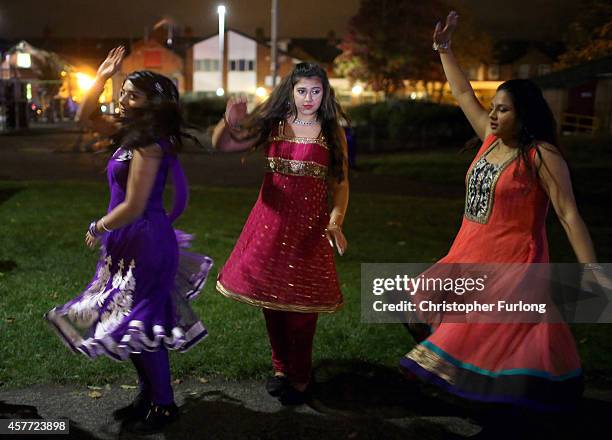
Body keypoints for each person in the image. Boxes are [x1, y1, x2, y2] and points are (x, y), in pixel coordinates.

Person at [399, 11, 609, 413]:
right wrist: (444, 49)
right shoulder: (489, 140)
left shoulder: (541, 156)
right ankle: (491, 397)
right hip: (467, 253)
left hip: (512, 263)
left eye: (504, 109)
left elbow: (568, 215)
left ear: (524, 114)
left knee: (489, 339)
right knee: (419, 302)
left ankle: (501, 408)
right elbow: (463, 94)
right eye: (493, 107)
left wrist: (594, 274)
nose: (493, 115)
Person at [45, 47, 212, 433]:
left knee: (142, 324)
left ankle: (165, 405)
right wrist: (102, 76)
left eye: (132, 95)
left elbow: (135, 205)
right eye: (124, 91)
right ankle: (148, 395)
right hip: (128, 244)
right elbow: (83, 116)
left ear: (153, 105)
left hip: (145, 242)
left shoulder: (149, 144)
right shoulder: (131, 133)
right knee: (129, 322)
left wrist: (98, 226)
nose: (123, 98)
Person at [211, 62, 349, 405]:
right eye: (302, 90)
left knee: (302, 310)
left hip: (309, 233)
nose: (308, 98)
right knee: (271, 303)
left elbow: (341, 183)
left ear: (325, 93)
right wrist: (229, 120)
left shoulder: (332, 132)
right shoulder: (274, 124)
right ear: (291, 90)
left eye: (316, 91)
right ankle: (281, 369)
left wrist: (336, 220)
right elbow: (224, 145)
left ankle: (301, 377)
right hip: (269, 227)